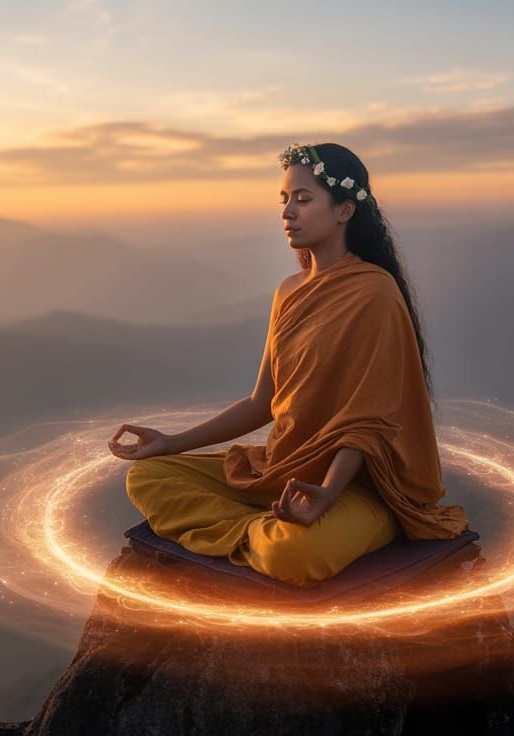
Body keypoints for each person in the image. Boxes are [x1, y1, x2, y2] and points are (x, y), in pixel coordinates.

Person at [108, 142, 468, 588]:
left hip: (360, 487)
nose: (287, 213)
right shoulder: (289, 291)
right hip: (283, 470)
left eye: (303, 199)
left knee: (294, 555)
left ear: (344, 210)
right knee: (147, 476)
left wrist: (328, 493)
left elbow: (368, 423)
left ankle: (272, 535)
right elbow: (263, 402)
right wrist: (171, 443)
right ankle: (256, 531)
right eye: (284, 201)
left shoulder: (375, 293)